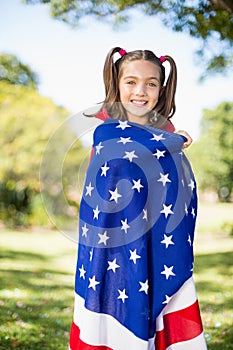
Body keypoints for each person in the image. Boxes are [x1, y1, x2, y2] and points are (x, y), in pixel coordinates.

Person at [69, 47, 207, 350]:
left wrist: (171, 145)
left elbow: (177, 193)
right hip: (113, 251)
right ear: (117, 85)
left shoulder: (169, 136)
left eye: (151, 83)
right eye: (130, 82)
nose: (140, 91)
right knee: (118, 318)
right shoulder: (105, 134)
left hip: (161, 250)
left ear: (162, 88)